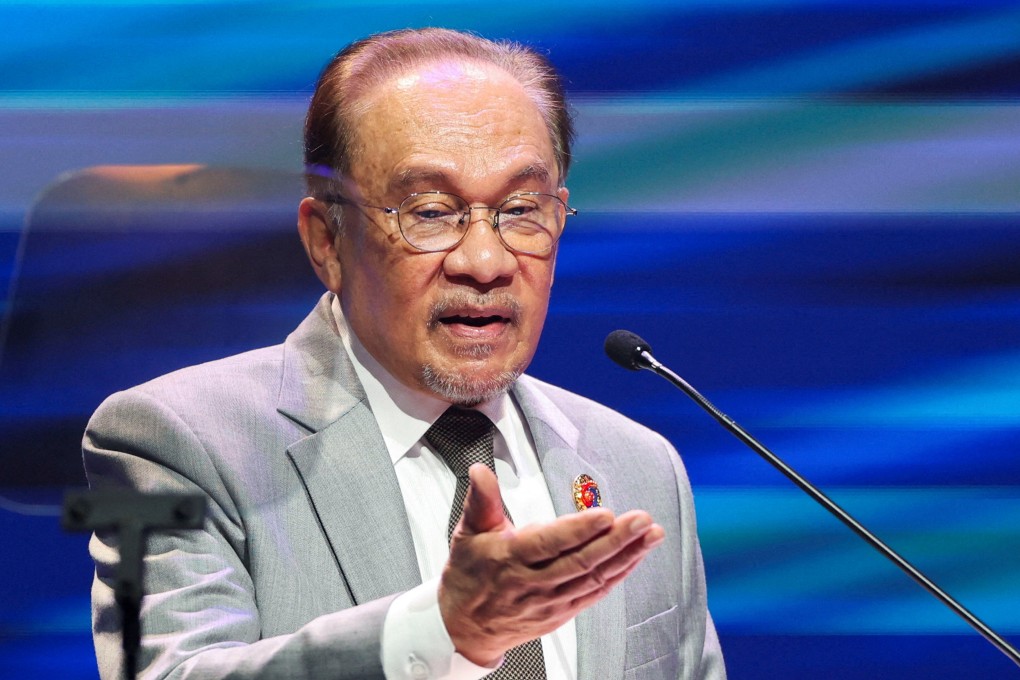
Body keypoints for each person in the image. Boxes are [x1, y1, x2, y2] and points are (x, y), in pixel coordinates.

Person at [84, 27, 726, 680]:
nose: (486, 261)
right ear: (327, 241)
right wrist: (441, 631)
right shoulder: (183, 443)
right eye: (430, 211)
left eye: (522, 208)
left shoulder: (640, 467)